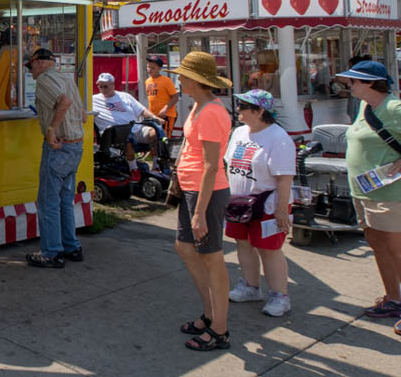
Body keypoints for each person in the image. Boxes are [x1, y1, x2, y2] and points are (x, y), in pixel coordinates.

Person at [170, 51, 233, 351]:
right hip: (192, 189)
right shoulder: (200, 106)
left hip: (206, 192)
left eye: (182, 76)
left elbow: (211, 164)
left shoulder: (210, 112)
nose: (179, 79)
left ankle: (219, 329)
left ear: (195, 80)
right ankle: (210, 315)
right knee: (184, 247)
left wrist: (199, 213)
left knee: (212, 257)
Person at [337, 59, 401, 336]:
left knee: (397, 251)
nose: (348, 85)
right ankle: (393, 299)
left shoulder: (394, 108)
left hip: (390, 195)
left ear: (368, 83)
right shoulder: (365, 107)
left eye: (352, 81)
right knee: (378, 246)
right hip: (363, 192)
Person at [224, 89, 295, 318]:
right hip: (239, 201)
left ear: (260, 111)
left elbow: (284, 177)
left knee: (269, 249)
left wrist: (281, 209)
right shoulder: (239, 132)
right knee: (243, 243)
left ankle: (280, 296)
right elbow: (228, 163)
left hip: (267, 204)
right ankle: (251, 286)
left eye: (243, 107)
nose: (238, 111)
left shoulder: (278, 138)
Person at [25, 48, 86, 268]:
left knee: (48, 202)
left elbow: (65, 102)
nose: (30, 71)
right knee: (64, 201)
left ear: (39, 63)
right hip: (76, 145)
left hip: (58, 147)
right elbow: (82, 115)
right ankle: (72, 246)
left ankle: (51, 252)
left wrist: (51, 128)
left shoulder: (44, 80)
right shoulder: (67, 78)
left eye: (31, 66)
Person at [94, 72, 163, 177]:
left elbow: (141, 110)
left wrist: (155, 118)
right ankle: (133, 169)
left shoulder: (125, 96)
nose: (102, 89)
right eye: (100, 86)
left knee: (156, 132)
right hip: (115, 135)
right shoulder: (92, 100)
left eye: (105, 86)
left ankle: (156, 165)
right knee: (127, 137)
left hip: (136, 129)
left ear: (113, 85)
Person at [145, 55, 179, 138]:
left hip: (167, 115)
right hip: (154, 115)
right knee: (154, 138)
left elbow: (175, 97)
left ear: (159, 68)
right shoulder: (147, 81)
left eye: (153, 68)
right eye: (148, 67)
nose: (150, 70)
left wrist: (164, 109)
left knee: (165, 138)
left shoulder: (166, 80)